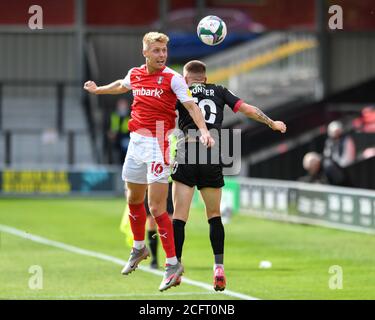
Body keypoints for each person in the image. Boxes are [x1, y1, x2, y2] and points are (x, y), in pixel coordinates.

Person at [84, 33, 215, 291]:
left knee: (156, 208)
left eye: (164, 50)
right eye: (156, 50)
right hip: (136, 143)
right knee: (133, 199)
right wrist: (99, 89)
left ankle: (172, 263)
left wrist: (204, 130)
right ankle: (139, 248)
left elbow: (191, 107)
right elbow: (122, 85)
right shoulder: (135, 73)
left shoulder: (173, 78)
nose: (162, 55)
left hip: (159, 144)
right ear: (145, 52)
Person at [171, 60, 286, 291]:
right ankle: (219, 267)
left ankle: (175, 267)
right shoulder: (220, 91)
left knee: (179, 216)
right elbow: (248, 109)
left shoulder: (180, 90)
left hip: (187, 151)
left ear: (186, 78)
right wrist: (272, 123)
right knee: (214, 215)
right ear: (205, 78)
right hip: (212, 152)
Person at [323, 120, 355, 186]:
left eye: (337, 131)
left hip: (345, 170)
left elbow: (348, 158)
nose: (336, 134)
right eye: (334, 132)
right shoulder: (329, 142)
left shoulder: (346, 140)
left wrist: (339, 166)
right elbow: (327, 155)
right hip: (333, 169)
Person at [107, 99, 131, 164]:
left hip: (127, 138)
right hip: (117, 139)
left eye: (123, 105)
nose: (122, 107)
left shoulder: (130, 115)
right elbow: (112, 127)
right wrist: (111, 133)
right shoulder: (114, 115)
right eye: (120, 105)